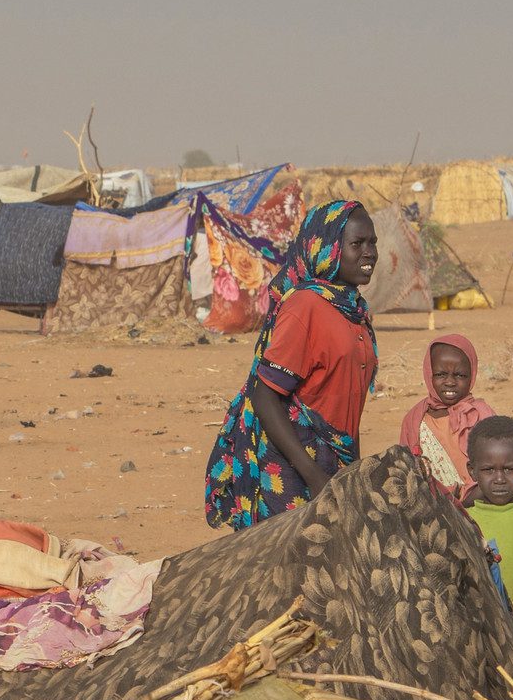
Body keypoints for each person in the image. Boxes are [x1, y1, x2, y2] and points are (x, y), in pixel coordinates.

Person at [205, 201, 379, 530]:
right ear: (325, 250)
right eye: (357, 244)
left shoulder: (351, 308)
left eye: (372, 243)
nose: (369, 253)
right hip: (292, 469)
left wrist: (349, 468)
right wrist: (312, 474)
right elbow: (264, 395)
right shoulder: (305, 306)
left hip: (334, 463)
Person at [399, 333, 496, 503]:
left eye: (460, 375)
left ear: (471, 375)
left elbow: (497, 469)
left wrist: (466, 502)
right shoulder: (415, 419)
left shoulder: (481, 415)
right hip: (433, 507)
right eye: (441, 374)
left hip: (481, 503)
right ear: (429, 374)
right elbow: (406, 470)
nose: (450, 382)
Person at [465, 415, 513, 599]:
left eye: (509, 469)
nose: (499, 479)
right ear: (472, 471)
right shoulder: (463, 520)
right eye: (488, 470)